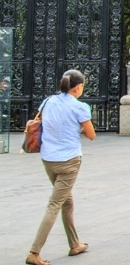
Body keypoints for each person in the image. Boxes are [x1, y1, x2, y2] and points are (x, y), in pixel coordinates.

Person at [26, 70, 95, 265]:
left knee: (66, 200)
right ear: (79, 87)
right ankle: (34, 252)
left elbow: (41, 122)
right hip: (69, 160)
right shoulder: (80, 107)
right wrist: (76, 127)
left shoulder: (48, 101)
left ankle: (74, 244)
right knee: (54, 204)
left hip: (48, 158)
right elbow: (91, 135)